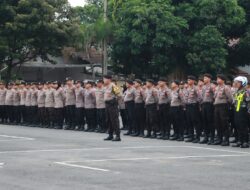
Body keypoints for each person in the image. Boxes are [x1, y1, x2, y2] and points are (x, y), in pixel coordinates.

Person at [213, 74, 233, 146]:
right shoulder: (216, 88)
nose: (217, 80)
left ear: (223, 80)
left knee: (224, 123)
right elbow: (214, 97)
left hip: (223, 106)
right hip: (216, 106)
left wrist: (227, 105)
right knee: (217, 123)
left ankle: (226, 139)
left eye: (219, 79)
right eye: (217, 79)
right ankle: (219, 138)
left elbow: (230, 98)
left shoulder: (226, 87)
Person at [231, 76, 249, 148]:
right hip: (237, 110)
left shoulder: (246, 91)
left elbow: (248, 101)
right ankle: (239, 140)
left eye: (238, 82)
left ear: (243, 83)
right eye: (236, 82)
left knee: (243, 126)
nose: (236, 83)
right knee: (237, 125)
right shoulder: (237, 91)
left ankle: (245, 141)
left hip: (243, 111)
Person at [103, 75, 121, 141]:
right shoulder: (106, 87)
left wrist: (114, 101)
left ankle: (118, 136)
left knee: (114, 120)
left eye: (104, 79)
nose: (103, 80)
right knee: (108, 120)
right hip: (107, 104)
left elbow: (119, 95)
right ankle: (110, 135)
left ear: (109, 79)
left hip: (112, 105)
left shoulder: (113, 86)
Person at [185, 76, 201, 143]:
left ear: (193, 81)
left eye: (189, 80)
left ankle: (197, 137)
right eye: (188, 80)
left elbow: (199, 97)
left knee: (195, 122)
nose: (188, 81)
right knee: (189, 122)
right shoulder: (187, 88)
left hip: (194, 106)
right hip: (188, 106)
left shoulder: (196, 88)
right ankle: (191, 136)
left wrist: (197, 104)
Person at [200, 73, 215, 144]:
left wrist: (213, 103)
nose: (204, 79)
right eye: (204, 78)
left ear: (209, 79)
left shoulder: (212, 86)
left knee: (210, 121)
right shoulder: (203, 87)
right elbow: (202, 97)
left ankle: (212, 137)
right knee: (204, 121)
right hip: (204, 105)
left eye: (205, 78)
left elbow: (215, 95)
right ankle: (206, 137)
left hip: (210, 104)